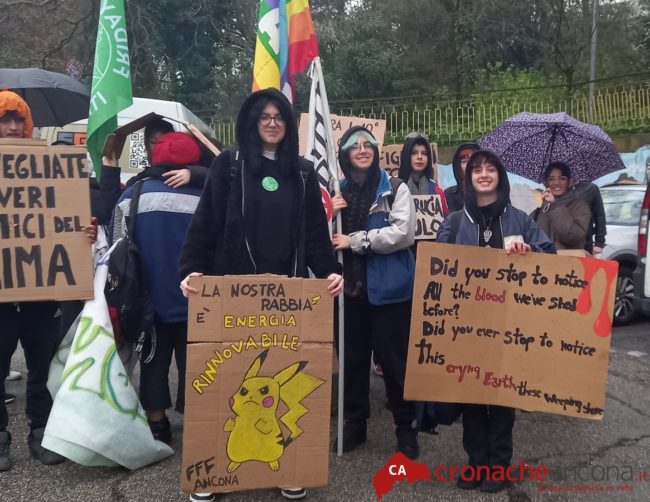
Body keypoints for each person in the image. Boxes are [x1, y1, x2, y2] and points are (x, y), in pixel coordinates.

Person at [179, 88, 343, 502]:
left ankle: (288, 468)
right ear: (251, 122)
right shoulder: (229, 165)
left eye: (279, 117)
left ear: (288, 124)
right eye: (264, 116)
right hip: (233, 294)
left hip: (286, 298)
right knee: (227, 381)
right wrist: (191, 269)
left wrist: (330, 271)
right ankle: (213, 473)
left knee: (276, 385)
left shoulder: (302, 172)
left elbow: (315, 233)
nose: (272, 123)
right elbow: (206, 223)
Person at [436, 149, 555, 493]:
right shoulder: (453, 222)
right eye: (477, 170)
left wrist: (530, 253)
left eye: (491, 169)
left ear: (500, 177)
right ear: (468, 178)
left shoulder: (520, 219)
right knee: (472, 395)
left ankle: (499, 465)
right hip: (465, 325)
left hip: (509, 324)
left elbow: (550, 256)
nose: (484, 174)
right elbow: (436, 268)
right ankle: (476, 462)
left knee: (503, 397)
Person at [0, 90, 96, 471]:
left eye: (18, 119)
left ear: (28, 124)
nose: (12, 127)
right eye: (5, 120)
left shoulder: (49, 166)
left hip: (41, 295)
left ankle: (42, 432)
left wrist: (83, 231)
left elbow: (65, 218)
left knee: (42, 366)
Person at [330, 126, 419, 460]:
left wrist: (356, 240)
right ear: (345, 154)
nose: (363, 149)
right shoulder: (335, 191)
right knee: (353, 363)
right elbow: (323, 237)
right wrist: (330, 213)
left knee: (395, 364)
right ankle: (355, 424)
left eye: (368, 144)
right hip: (349, 294)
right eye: (355, 145)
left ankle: (406, 427)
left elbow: (403, 233)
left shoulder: (394, 188)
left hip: (390, 293)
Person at [111, 131, 203, 443]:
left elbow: (117, 244)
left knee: (153, 361)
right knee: (195, 365)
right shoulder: (206, 196)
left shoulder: (132, 194)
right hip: (195, 298)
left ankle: (157, 425)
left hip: (148, 298)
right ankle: (197, 425)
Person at [530, 162, 592, 251]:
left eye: (562, 178)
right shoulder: (542, 208)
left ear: (570, 182)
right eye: (551, 179)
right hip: (542, 258)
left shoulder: (580, 206)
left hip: (567, 259)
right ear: (545, 183)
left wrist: (555, 206)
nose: (556, 183)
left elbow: (572, 237)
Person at [572, 180, 607, 254]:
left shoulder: (591, 189)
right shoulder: (558, 190)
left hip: (584, 242)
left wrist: (599, 243)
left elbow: (600, 216)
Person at [444, 142, 479, 212]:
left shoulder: (491, 190)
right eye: (464, 161)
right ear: (458, 167)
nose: (469, 164)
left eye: (473, 160)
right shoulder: (450, 193)